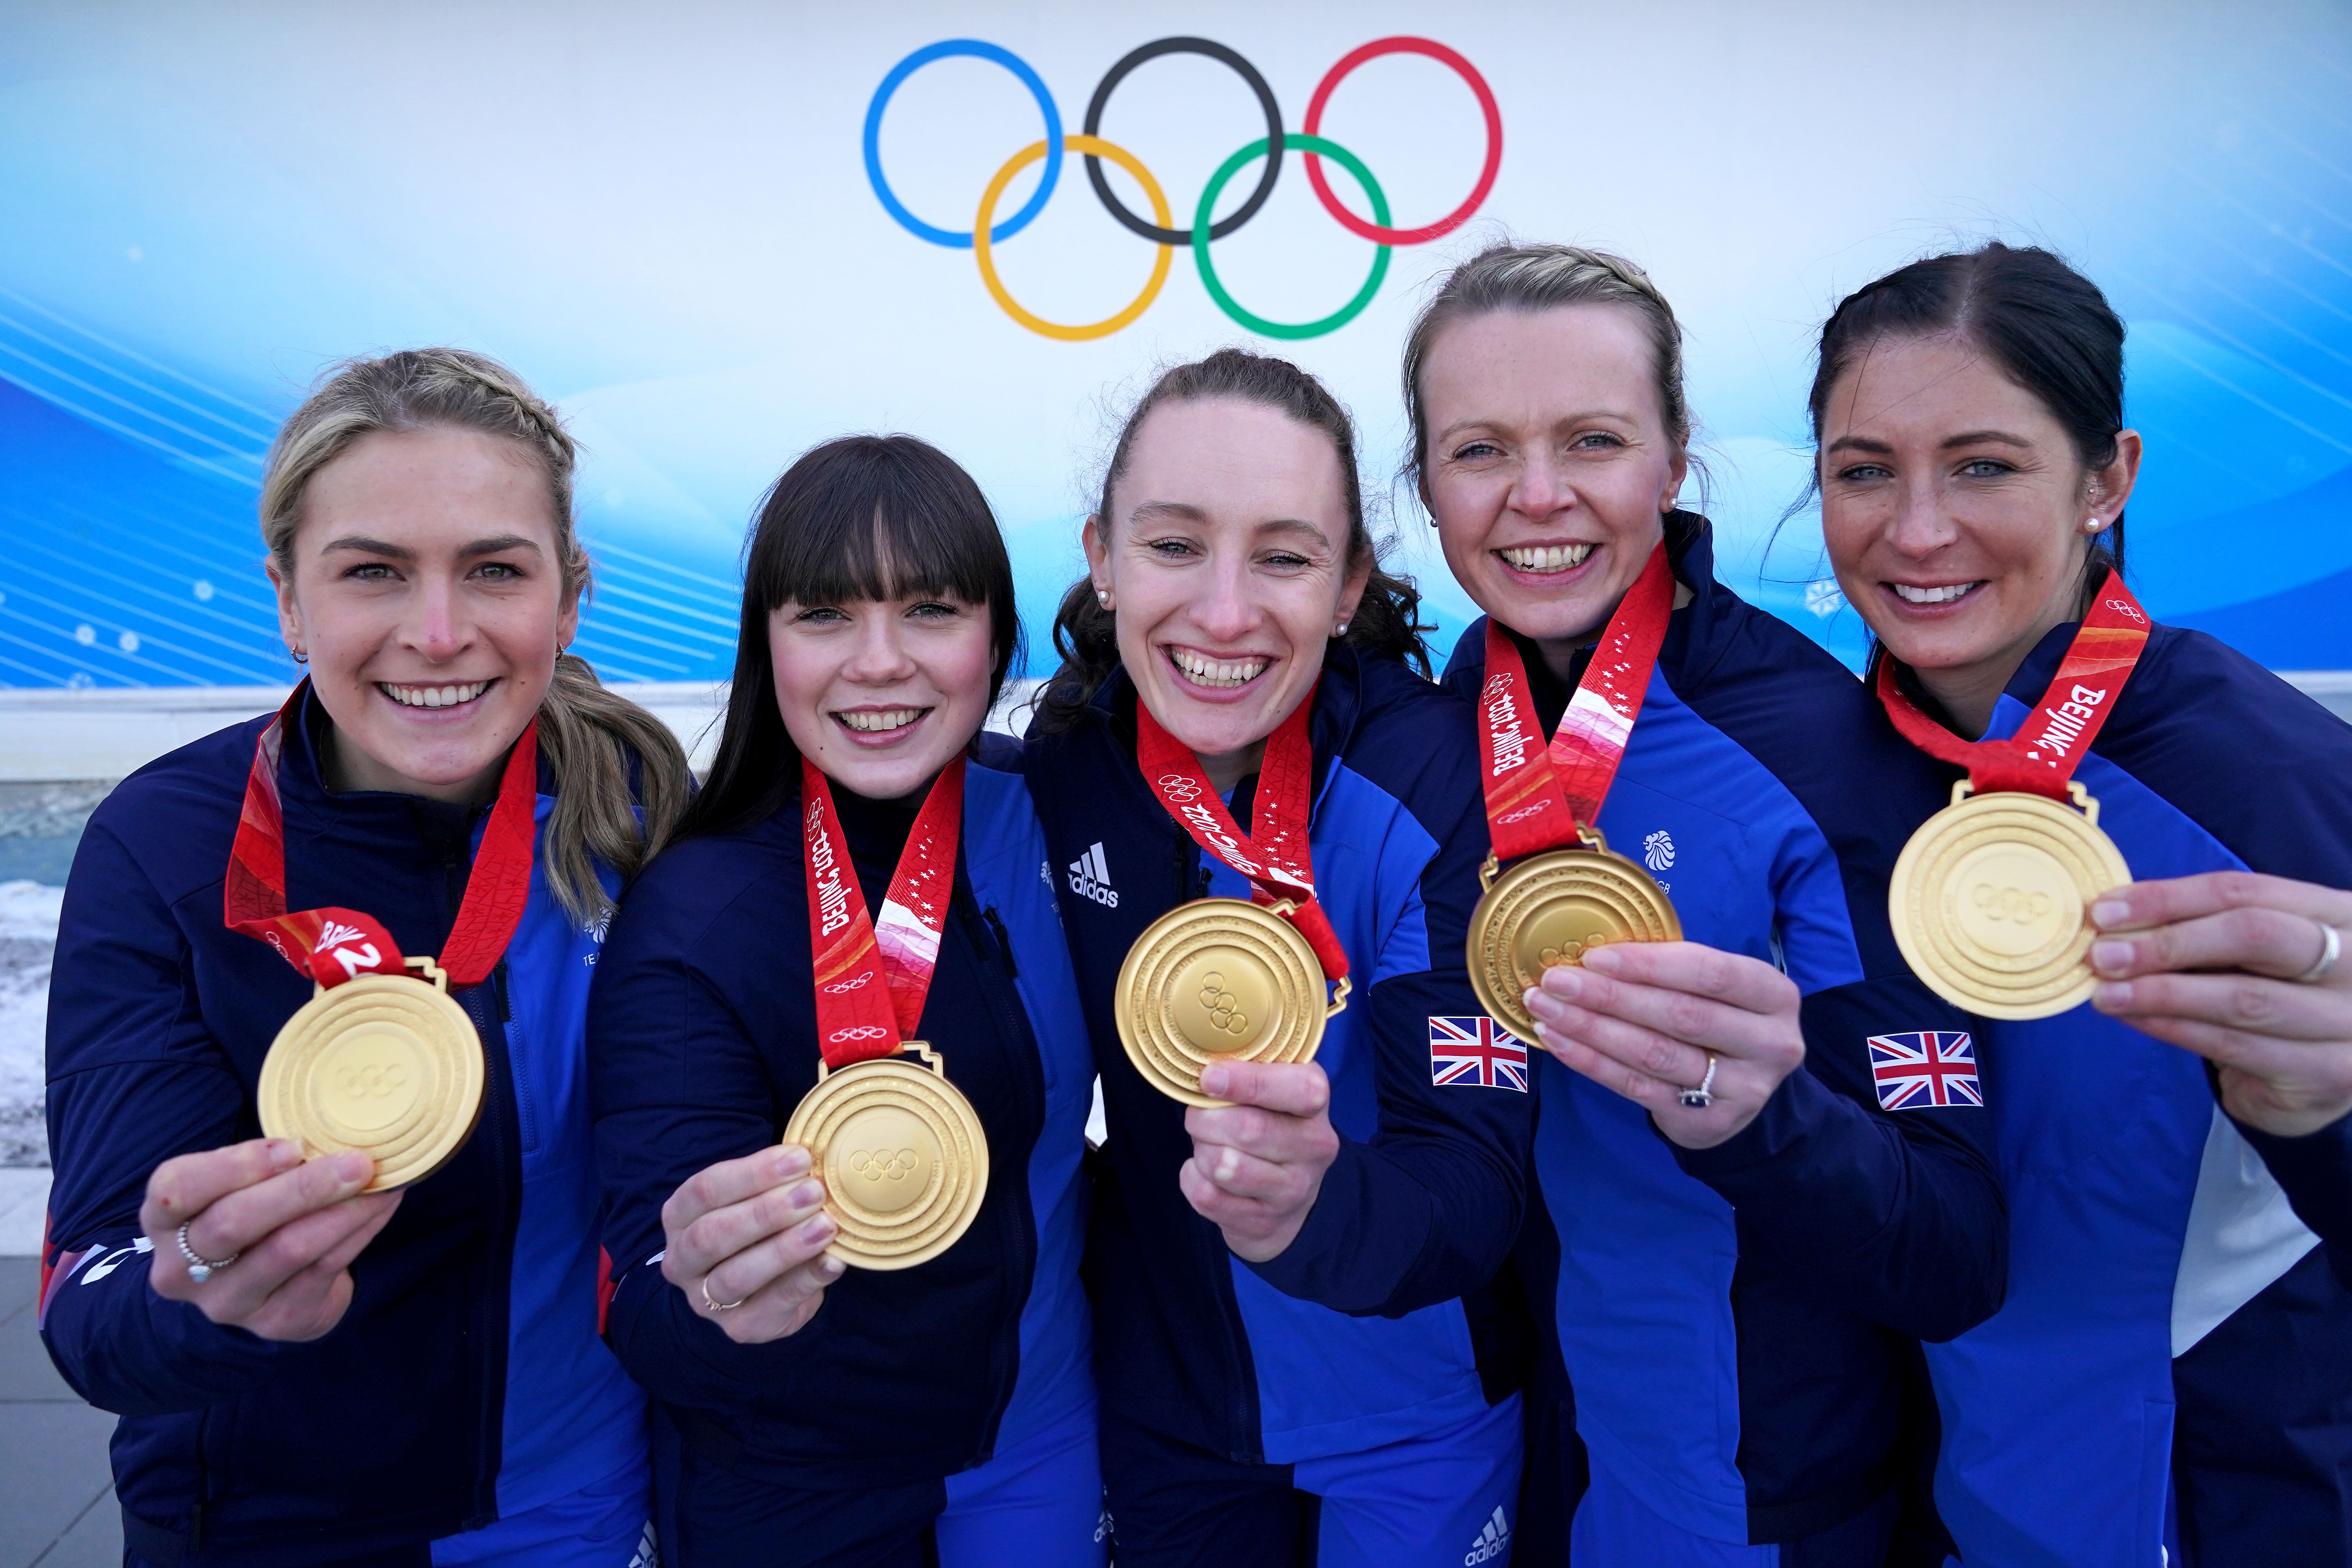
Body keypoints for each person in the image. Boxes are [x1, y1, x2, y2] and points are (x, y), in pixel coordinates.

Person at [1407, 243, 2009, 1564]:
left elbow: (1955, 1251)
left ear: (1673, 457)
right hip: (1537, 1475)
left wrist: (1760, 1119)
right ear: (1422, 486)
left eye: (1594, 438)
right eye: (1479, 450)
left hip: (1770, 1500)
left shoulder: (1820, 750)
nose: (1538, 496)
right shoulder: (1434, 728)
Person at [38, 348, 690, 1566]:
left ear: (568, 598)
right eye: (373, 574)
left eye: (494, 570)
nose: (436, 633)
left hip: (576, 1510)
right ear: (290, 600)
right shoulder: (166, 845)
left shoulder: (636, 815)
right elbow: (91, 1301)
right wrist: (195, 1293)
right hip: (269, 1528)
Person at [1811, 240, 2352, 1566]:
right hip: (1948, 1505)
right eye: (1862, 469)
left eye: (1983, 465)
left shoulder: (2271, 779)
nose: (1917, 528)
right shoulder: (1829, 770)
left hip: (2217, 1505)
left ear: (2106, 478)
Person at [1024, 348, 1533, 1568]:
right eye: (1173, 544)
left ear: (1351, 581)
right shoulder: (1067, 760)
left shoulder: (1435, 781)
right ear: (1101, 555)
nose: (1222, 612)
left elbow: (1478, 1179)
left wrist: (1316, 1207)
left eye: (1286, 555)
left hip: (1420, 1409)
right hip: (1170, 1408)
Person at [588, 436, 1101, 1568]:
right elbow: (644, 1290)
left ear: (994, 637)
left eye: (930, 610)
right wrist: (714, 1302)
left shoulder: (1055, 812)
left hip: (1038, 1443)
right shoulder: (693, 913)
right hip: (790, 1484)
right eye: (824, 614)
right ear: (764, 641)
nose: (879, 662)